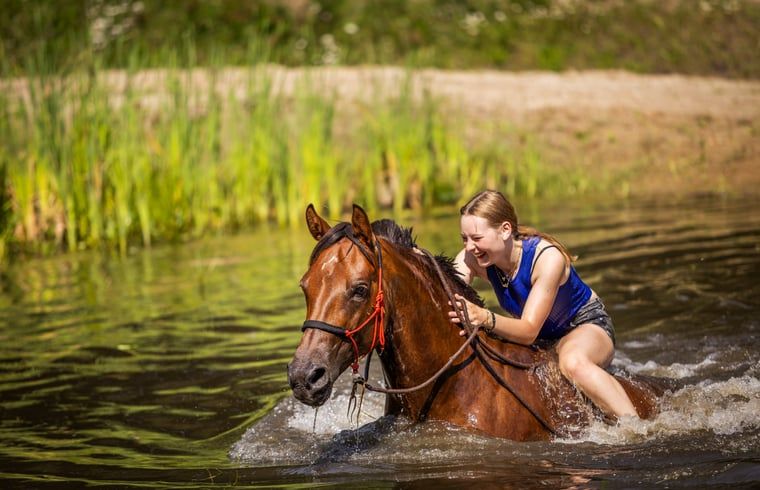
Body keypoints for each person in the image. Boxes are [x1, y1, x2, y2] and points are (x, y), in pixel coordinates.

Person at [448, 190, 638, 420]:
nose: (469, 247)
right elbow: (447, 288)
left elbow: (528, 330)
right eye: (464, 239)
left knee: (573, 363)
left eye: (477, 238)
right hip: (542, 339)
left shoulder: (547, 258)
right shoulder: (475, 257)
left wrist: (486, 317)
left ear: (505, 230)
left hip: (584, 325)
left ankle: (637, 428)